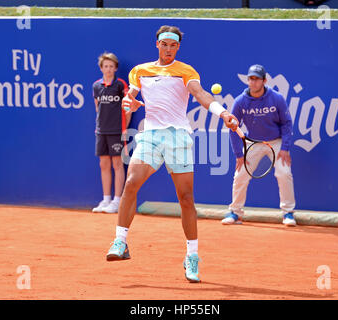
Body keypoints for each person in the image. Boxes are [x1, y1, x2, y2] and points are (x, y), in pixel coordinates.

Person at [105, 25, 238, 283]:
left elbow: (200, 94)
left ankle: (192, 256)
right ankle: (120, 241)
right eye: (164, 44)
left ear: (178, 47)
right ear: (157, 44)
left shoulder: (186, 71)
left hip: (178, 136)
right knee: (131, 183)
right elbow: (129, 97)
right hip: (151, 135)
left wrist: (222, 113)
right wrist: (128, 102)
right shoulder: (139, 71)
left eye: (173, 45)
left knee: (186, 198)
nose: (168, 49)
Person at [222, 64, 297, 226]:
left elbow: (287, 124)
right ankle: (235, 212)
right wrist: (239, 155)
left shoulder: (277, 98)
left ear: (264, 80)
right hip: (253, 143)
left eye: (257, 79)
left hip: (276, 142)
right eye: (251, 79)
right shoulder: (240, 102)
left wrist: (285, 148)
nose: (253, 82)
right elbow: (233, 128)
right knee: (240, 174)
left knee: (284, 173)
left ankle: (288, 213)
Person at [92, 52, 132, 214]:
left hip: (117, 131)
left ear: (115, 68)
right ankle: (106, 199)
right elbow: (97, 107)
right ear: (101, 68)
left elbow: (128, 109)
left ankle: (117, 200)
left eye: (111, 66)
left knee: (117, 164)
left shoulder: (120, 85)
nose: (108, 69)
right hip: (101, 131)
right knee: (104, 164)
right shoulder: (96, 86)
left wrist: (124, 128)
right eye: (105, 66)